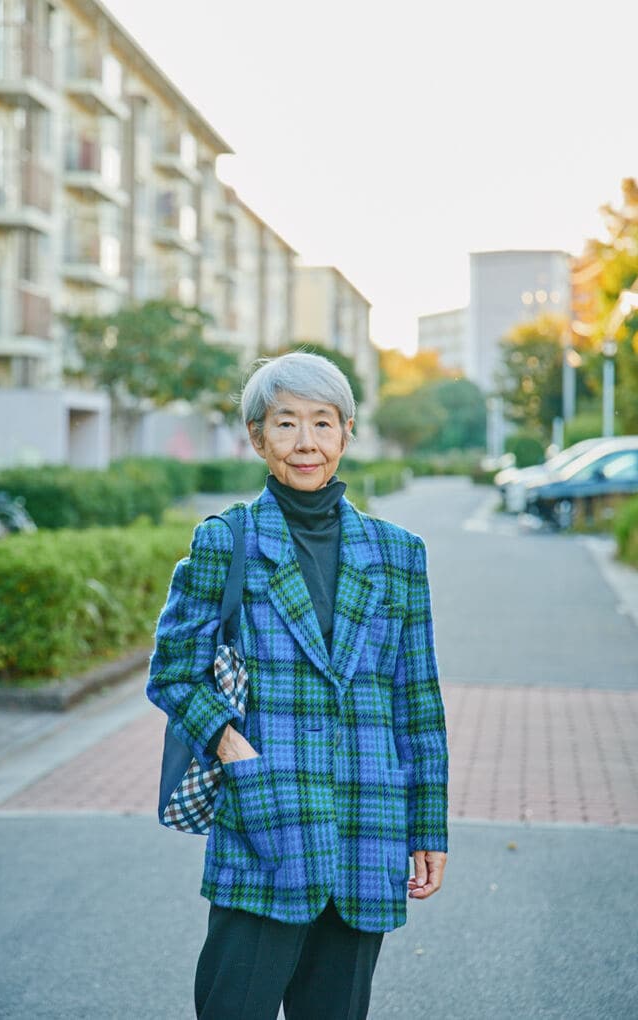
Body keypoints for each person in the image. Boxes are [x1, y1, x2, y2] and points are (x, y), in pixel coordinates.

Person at [147, 352, 448, 1020]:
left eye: (321, 423)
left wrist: (429, 823)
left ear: (346, 432)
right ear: (258, 438)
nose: (305, 442)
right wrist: (231, 748)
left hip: (369, 824)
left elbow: (417, 700)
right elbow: (173, 671)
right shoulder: (226, 541)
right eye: (286, 424)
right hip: (264, 822)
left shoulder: (400, 554)